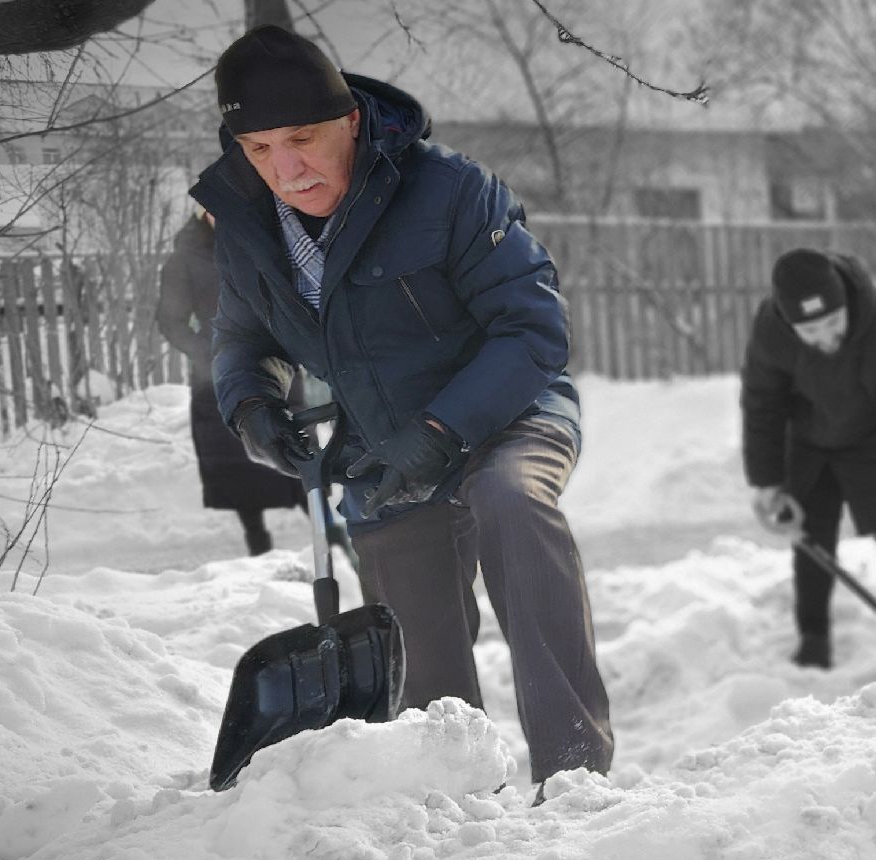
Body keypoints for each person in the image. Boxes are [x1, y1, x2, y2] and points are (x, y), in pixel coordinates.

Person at [194, 25, 613, 788]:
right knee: (421, 653)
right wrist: (250, 404)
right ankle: (457, 796)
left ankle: (573, 774)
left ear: (351, 119)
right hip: (384, 445)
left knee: (510, 501)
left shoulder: (450, 191)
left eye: (302, 139)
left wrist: (442, 427)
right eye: (259, 148)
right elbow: (241, 338)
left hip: (510, 414)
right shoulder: (246, 224)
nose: (285, 169)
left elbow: (533, 329)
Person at [742, 248, 876, 680]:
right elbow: (762, 405)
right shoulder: (771, 328)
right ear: (790, 324)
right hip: (809, 439)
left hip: (875, 437)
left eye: (833, 321)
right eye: (810, 330)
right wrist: (766, 481)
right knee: (811, 543)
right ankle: (813, 642)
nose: (825, 337)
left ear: (846, 304)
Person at [154, 207, 302, 556]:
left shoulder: (266, 241)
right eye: (212, 207)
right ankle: (258, 546)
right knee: (239, 466)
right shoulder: (185, 258)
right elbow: (171, 321)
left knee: (297, 451)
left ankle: (333, 540)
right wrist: (207, 354)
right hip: (219, 378)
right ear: (201, 210)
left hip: (277, 365)